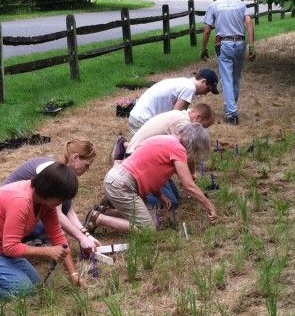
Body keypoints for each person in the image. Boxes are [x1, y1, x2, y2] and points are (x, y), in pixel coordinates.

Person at [0, 163, 83, 298]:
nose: (62, 202)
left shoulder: (45, 203)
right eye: (61, 198)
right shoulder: (20, 201)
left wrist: (74, 274)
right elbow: (10, 248)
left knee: (35, 284)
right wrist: (48, 251)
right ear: (50, 191)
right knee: (24, 290)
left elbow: (58, 238)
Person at [89, 123, 217, 234]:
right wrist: (209, 206)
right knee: (147, 230)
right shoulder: (178, 149)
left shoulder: (167, 140)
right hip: (122, 184)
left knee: (153, 220)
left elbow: (150, 172)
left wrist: (160, 195)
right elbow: (188, 185)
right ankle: (98, 219)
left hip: (120, 179)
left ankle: (105, 212)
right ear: (195, 145)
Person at [1, 138, 99, 257]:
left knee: (63, 207)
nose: (87, 170)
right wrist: (80, 238)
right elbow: (56, 215)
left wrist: (86, 236)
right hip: (7, 214)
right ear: (75, 158)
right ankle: (13, 244)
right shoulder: (50, 171)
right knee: (46, 226)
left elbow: (69, 211)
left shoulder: (63, 174)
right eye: (86, 165)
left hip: (22, 208)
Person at [200, 0, 255, 122]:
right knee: (236, 78)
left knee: (226, 79)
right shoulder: (240, 3)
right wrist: (252, 45)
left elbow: (206, 31)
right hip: (240, 43)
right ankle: (231, 107)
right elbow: (249, 21)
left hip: (225, 45)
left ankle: (231, 114)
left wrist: (203, 49)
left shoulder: (214, 5)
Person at [127, 69, 218, 133]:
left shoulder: (184, 82)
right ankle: (124, 149)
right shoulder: (190, 88)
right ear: (203, 81)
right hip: (143, 119)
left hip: (137, 116)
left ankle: (124, 146)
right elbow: (175, 117)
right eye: (208, 89)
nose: (206, 93)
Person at [125, 103, 214, 155]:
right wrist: (192, 173)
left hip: (136, 152)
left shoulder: (179, 115)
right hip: (136, 156)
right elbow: (185, 153)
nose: (201, 130)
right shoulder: (184, 123)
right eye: (203, 126)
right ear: (197, 118)